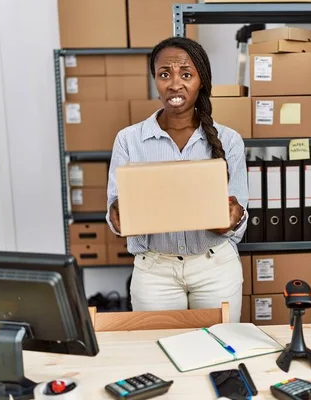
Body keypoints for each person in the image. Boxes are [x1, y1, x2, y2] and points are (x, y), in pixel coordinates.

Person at [105, 37, 249, 323]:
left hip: (215, 267)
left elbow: (240, 210)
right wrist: (117, 215)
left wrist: (234, 216)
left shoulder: (229, 140)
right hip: (154, 271)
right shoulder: (129, 140)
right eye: (164, 74)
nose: (174, 84)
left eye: (186, 74)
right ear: (155, 80)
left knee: (219, 351)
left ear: (201, 81)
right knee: (157, 354)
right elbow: (114, 211)